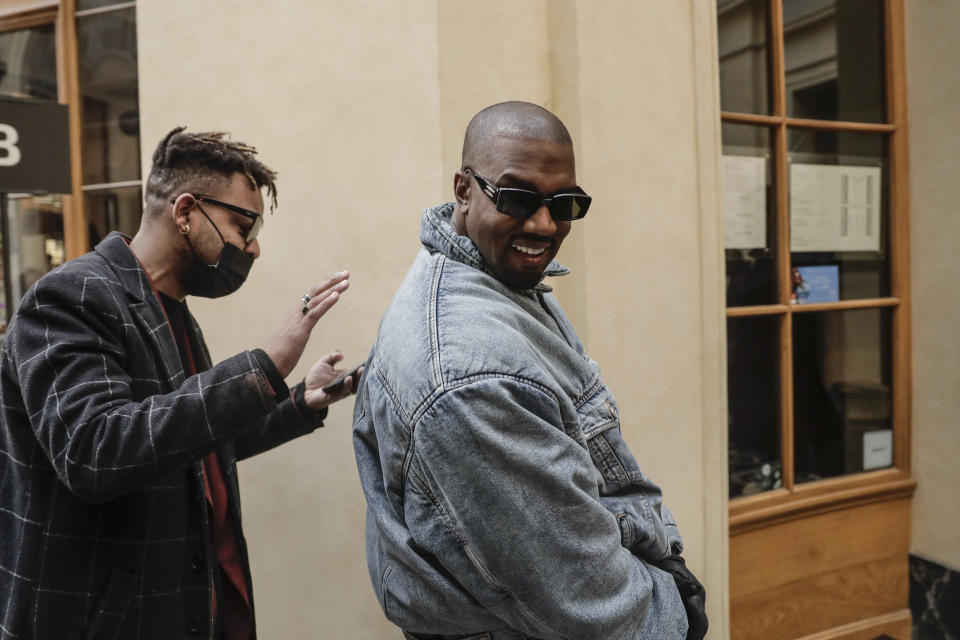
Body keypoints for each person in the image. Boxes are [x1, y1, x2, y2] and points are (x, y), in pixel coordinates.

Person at [353, 102, 708, 639]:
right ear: (463, 189)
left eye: (564, 204)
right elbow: (582, 593)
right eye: (517, 198)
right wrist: (675, 613)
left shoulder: (499, 282)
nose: (543, 224)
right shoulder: (471, 376)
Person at [0, 127, 360, 639]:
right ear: (186, 210)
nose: (253, 249)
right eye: (242, 226)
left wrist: (299, 400)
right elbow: (94, 450)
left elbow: (192, 443)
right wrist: (262, 366)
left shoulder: (171, 310)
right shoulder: (72, 296)